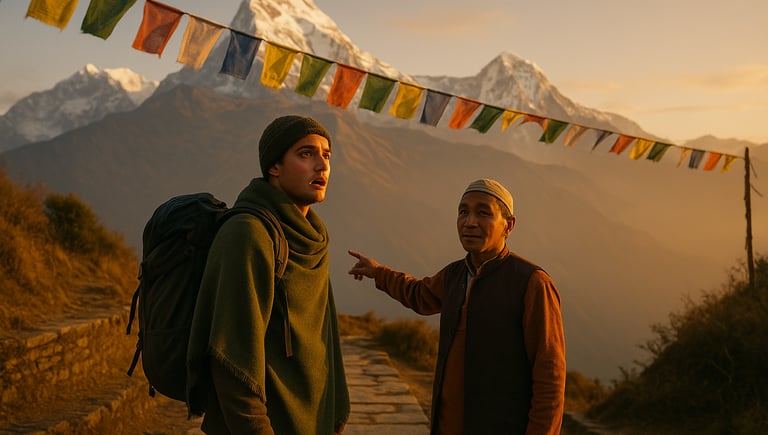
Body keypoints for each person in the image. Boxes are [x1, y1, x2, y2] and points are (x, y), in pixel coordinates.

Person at [348, 178, 566, 435]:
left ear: (509, 225)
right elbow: (419, 294)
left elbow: (549, 375)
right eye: (464, 212)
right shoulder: (455, 275)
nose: (470, 222)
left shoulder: (531, 283)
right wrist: (379, 273)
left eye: (483, 213)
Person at [187, 115, 350, 434]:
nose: (322, 166)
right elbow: (230, 359)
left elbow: (324, 335)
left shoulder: (312, 237)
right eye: (306, 154)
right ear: (274, 167)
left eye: (326, 155)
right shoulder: (248, 234)